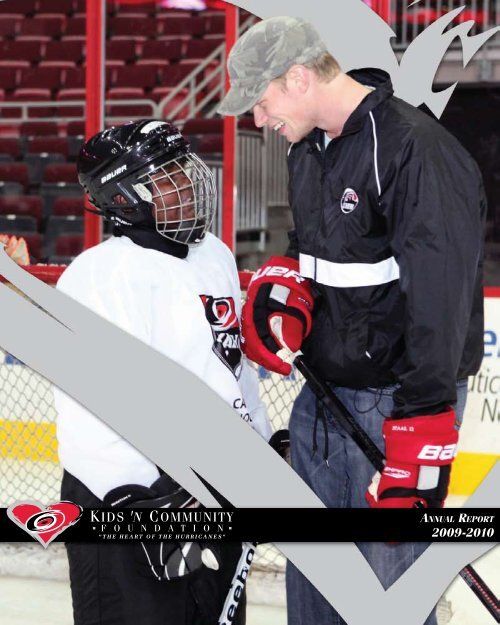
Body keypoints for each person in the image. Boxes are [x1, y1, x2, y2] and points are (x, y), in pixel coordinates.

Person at [217, 16, 485, 625]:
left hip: (396, 402)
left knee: (385, 597)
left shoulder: (417, 150)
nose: (257, 121)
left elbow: (442, 296)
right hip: (324, 393)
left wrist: (422, 418)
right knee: (316, 577)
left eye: (261, 103)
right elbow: (317, 245)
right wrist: (285, 277)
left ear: (298, 78)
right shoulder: (308, 148)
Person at [53, 119, 271, 625]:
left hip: (214, 488)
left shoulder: (213, 254)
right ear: (123, 198)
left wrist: (257, 443)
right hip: (130, 498)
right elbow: (88, 407)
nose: (186, 184)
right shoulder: (97, 276)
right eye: (165, 178)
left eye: (182, 169)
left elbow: (230, 363)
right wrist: (137, 500)